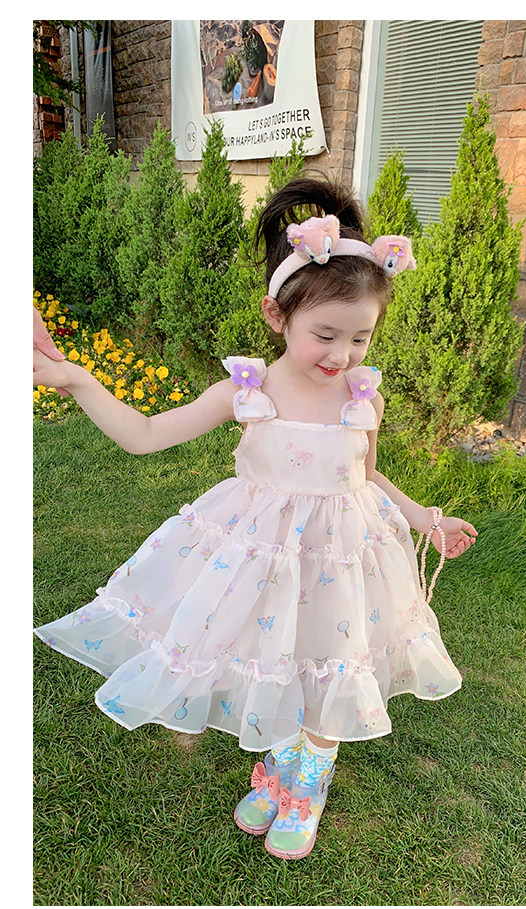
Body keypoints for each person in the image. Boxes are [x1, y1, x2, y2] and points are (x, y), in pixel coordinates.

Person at [33, 175, 478, 860]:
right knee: (278, 655)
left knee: (331, 657)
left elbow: (366, 474)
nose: (342, 355)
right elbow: (145, 434)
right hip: (262, 556)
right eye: (325, 335)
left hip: (342, 556)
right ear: (277, 316)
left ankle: (309, 782)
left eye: (360, 338)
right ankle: (279, 763)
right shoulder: (247, 390)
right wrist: (78, 379)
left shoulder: (363, 399)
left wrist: (425, 518)